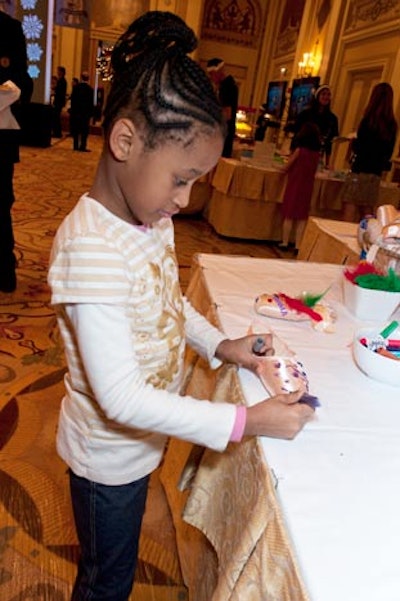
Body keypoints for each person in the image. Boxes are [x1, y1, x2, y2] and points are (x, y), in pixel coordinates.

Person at [48, 11, 313, 601]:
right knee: (106, 581)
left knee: (116, 562)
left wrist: (219, 345)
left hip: (140, 447)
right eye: (180, 179)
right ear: (124, 142)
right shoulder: (91, 249)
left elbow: (168, 304)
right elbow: (119, 397)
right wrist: (244, 423)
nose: (184, 200)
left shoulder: (148, 217)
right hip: (106, 460)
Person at [0, 9, 30, 293]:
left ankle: (4, 267)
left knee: (0, 201)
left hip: (0, 135)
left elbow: (22, 81)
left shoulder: (9, 29)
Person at [341, 82, 398, 223]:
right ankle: (366, 239)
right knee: (367, 210)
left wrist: (353, 142)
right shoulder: (392, 125)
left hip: (360, 169)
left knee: (350, 206)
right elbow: (388, 153)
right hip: (375, 173)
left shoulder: (368, 121)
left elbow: (360, 148)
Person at [278, 122, 321, 252]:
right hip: (307, 187)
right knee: (302, 216)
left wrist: (281, 168)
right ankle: (298, 245)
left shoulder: (299, 151)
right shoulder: (316, 155)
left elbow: (287, 167)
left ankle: (285, 242)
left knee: (289, 214)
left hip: (295, 184)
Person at [291, 84, 339, 169]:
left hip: (318, 155)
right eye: (323, 94)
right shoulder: (305, 114)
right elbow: (296, 136)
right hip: (302, 152)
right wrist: (292, 153)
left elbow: (329, 143)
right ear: (317, 96)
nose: (326, 97)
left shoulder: (332, 119)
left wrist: (328, 163)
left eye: (328, 94)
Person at [206, 57, 238, 158]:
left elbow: (227, 115)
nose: (211, 77)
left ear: (219, 71)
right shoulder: (226, 85)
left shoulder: (226, 87)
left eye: (212, 74)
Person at [69, 71, 94, 151]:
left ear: (81, 77)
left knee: (76, 130)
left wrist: (72, 111)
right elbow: (91, 103)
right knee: (84, 131)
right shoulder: (90, 90)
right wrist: (91, 114)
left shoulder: (76, 88)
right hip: (85, 114)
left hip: (76, 112)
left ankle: (75, 145)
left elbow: (73, 100)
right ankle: (83, 146)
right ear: (88, 79)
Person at [52, 65, 67, 138]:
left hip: (59, 101)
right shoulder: (61, 80)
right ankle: (56, 132)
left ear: (62, 72)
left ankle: (57, 133)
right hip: (58, 101)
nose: (57, 72)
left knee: (56, 117)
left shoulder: (62, 81)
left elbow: (60, 91)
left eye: (58, 71)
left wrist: (55, 88)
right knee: (56, 117)